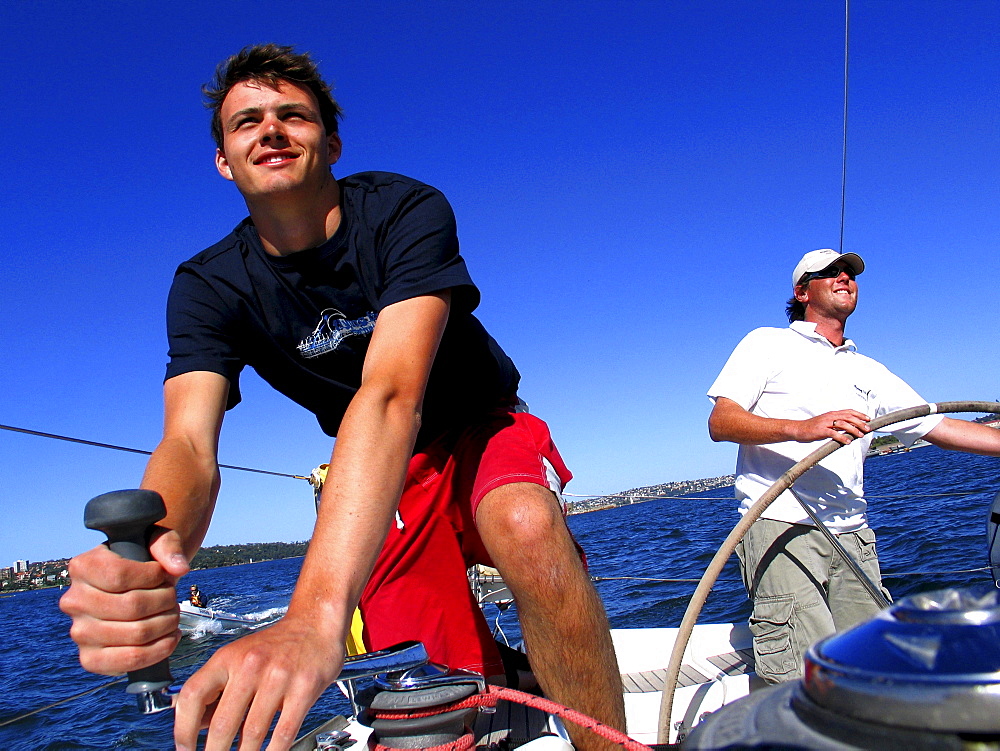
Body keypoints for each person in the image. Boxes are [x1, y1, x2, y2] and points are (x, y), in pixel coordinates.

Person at [59, 44, 625, 751]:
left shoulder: (401, 209)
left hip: (478, 422)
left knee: (525, 524)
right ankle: (505, 669)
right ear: (223, 160)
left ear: (330, 143)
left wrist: (315, 614)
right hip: (383, 468)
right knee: (432, 668)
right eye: (246, 123)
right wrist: (155, 557)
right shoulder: (207, 285)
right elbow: (189, 442)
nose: (270, 130)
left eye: (292, 115)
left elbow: (391, 391)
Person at [706, 248, 1000, 684]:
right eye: (830, 273)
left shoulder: (868, 369)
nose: (845, 278)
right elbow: (721, 421)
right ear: (802, 291)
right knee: (804, 676)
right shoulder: (766, 343)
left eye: (850, 273)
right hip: (783, 526)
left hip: (854, 534)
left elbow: (936, 426)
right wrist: (802, 428)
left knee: (879, 666)